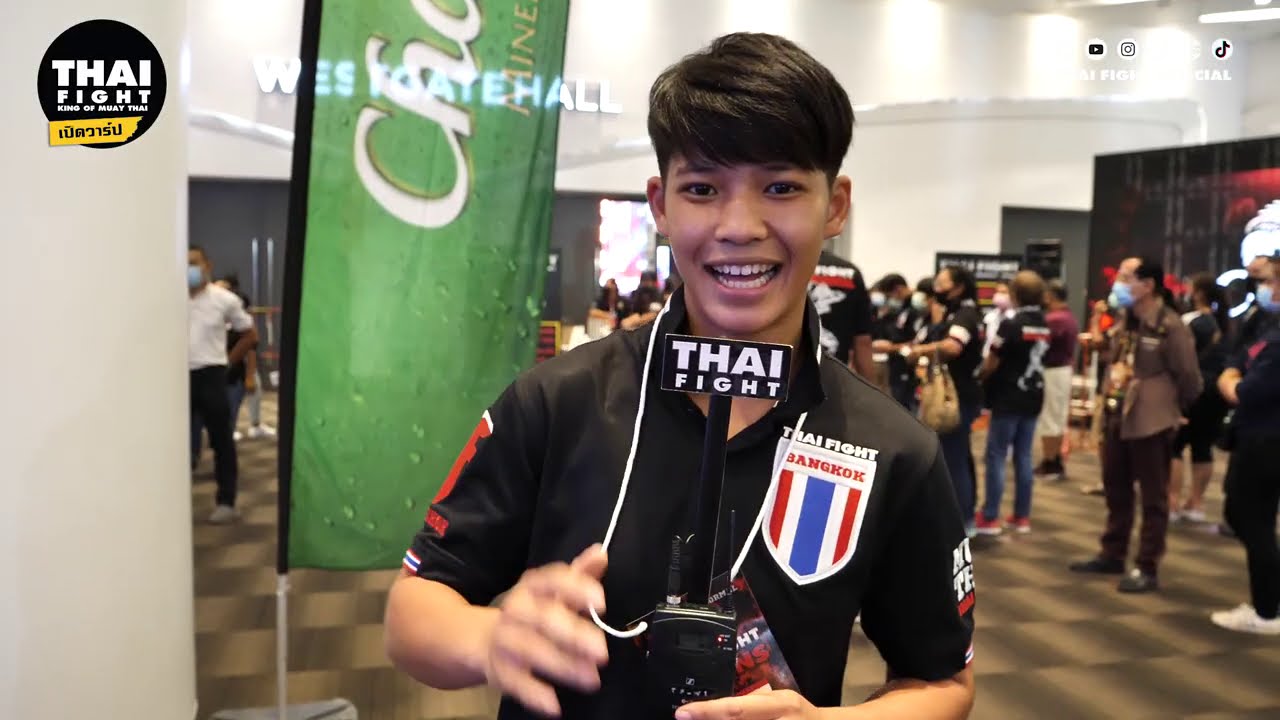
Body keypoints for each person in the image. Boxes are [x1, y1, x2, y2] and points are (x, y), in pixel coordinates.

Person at [385, 32, 975, 720]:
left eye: (781, 187)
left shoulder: (891, 447)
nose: (739, 225)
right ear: (661, 205)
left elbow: (943, 681)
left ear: (835, 205)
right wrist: (489, 639)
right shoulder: (559, 401)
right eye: (702, 189)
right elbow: (413, 609)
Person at [1069, 258, 1201, 593]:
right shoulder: (1127, 320)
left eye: (1127, 277)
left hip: (1151, 420)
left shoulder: (1170, 325)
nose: (1120, 283)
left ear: (1148, 285)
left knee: (1153, 496)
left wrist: (1175, 409)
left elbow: (1189, 376)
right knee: (1116, 487)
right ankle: (1112, 553)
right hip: (1118, 414)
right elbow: (1112, 354)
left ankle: (1147, 565)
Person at [1212, 254, 1280, 634]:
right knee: (1242, 515)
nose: (1269, 288)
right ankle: (1269, 602)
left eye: (1273, 281)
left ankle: (1267, 611)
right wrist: (1233, 376)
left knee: (1252, 519)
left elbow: (1246, 389)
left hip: (1267, 439)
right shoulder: (1267, 323)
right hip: (1254, 435)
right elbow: (1237, 357)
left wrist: (1231, 382)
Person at [908, 265, 984, 536]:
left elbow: (953, 347)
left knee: (953, 458)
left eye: (942, 283)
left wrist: (919, 351)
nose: (936, 288)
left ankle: (962, 521)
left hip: (957, 396)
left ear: (958, 287)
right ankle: (964, 515)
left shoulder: (965, 314)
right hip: (955, 394)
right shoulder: (954, 312)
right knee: (958, 455)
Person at [976, 271, 1049, 535]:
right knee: (1024, 455)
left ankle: (990, 516)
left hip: (1007, 396)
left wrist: (981, 377)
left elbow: (992, 360)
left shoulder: (1011, 324)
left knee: (996, 454)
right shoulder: (1044, 324)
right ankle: (1021, 516)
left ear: (1015, 295)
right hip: (1033, 395)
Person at [188, 247, 257, 524]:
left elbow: (250, 335)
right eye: (184, 264)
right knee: (175, 442)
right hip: (178, 378)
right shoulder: (170, 298)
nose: (189, 269)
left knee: (221, 440)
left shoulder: (224, 299)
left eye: (194, 263)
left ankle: (226, 501)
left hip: (212, 374)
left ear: (207, 265)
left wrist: (228, 362)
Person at [1169, 273, 1229, 523]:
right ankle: (1196, 503)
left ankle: (1172, 501)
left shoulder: (1189, 321)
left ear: (1198, 293)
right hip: (1215, 393)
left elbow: (1180, 359)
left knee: (1174, 446)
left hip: (1191, 391)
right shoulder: (1222, 324)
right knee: (1202, 447)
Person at [1035, 280, 1079, 482]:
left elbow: (1041, 345)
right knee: (1057, 417)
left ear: (1051, 295)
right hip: (1061, 371)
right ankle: (1054, 460)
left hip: (1054, 372)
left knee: (1051, 418)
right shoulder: (1067, 316)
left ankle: (1050, 461)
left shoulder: (1055, 319)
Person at [808, 250, 875, 379]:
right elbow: (863, 342)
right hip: (833, 377)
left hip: (784, 377)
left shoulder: (785, 265)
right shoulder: (851, 273)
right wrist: (869, 387)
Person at [871, 274, 917, 410]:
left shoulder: (914, 310)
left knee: (905, 407)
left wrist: (892, 348)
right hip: (894, 366)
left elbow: (917, 341)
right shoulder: (899, 310)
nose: (889, 300)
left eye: (889, 296)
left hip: (908, 368)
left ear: (898, 289)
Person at [981, 282, 1014, 358]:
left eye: (1003, 292)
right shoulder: (989, 316)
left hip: (1006, 359)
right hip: (987, 356)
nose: (999, 295)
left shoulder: (1015, 317)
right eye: (997, 292)